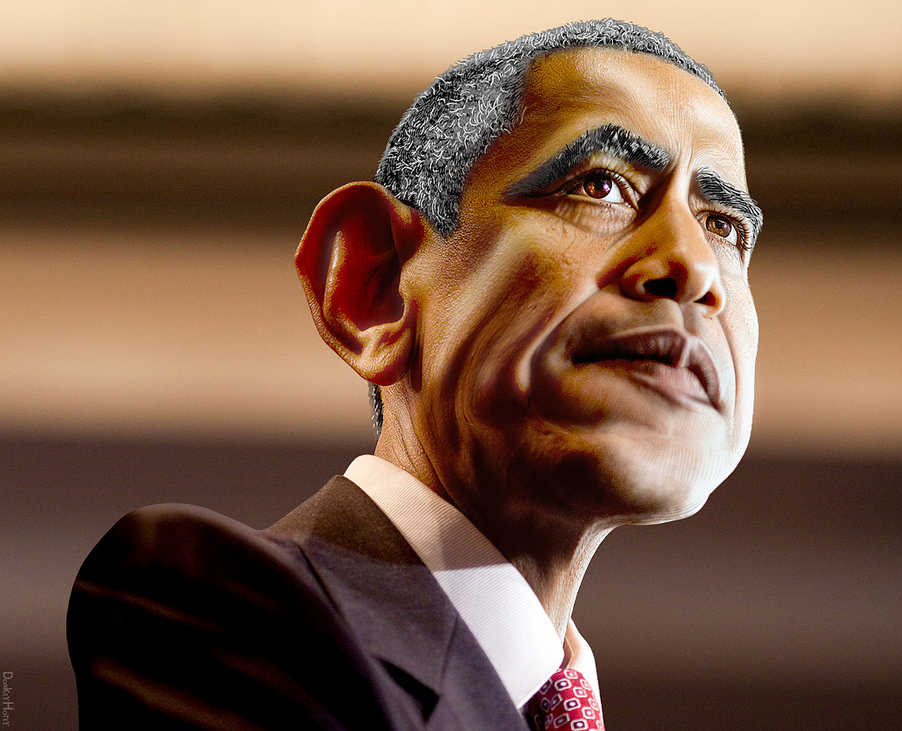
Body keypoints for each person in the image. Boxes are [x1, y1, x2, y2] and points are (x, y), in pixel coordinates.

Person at [68, 18, 762, 730]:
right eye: (601, 186)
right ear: (374, 287)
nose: (694, 267)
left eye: (723, 227)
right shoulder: (223, 616)